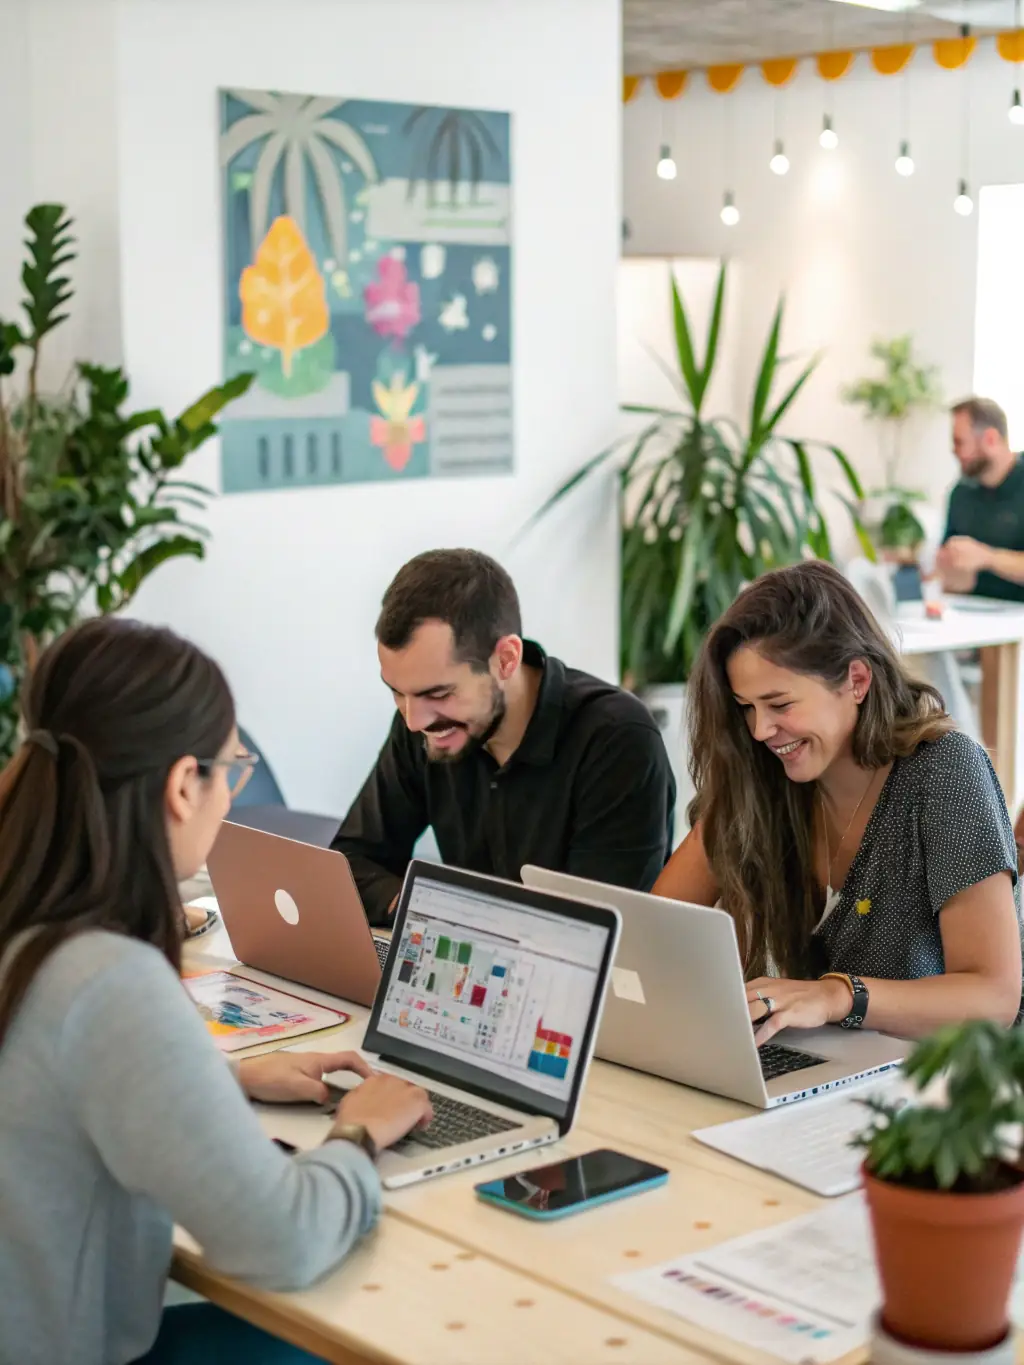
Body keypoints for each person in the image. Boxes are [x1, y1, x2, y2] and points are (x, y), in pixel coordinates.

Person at [0, 617, 432, 1365]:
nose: (231, 796)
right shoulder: (108, 978)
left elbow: (48, 1082)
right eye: (231, 770)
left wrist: (220, 1078)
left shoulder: (28, 925)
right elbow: (285, 1239)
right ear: (180, 785)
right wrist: (359, 1133)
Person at [654, 561, 1023, 1043]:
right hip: (843, 1065)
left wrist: (838, 995)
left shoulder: (945, 770)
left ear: (857, 681)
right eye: (746, 708)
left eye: (780, 704)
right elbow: (652, 934)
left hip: (951, 1074)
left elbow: (993, 999)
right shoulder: (761, 779)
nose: (761, 730)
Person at [333, 549, 676, 924]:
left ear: (507, 659)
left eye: (440, 694)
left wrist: (447, 917)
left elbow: (592, 929)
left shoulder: (616, 740)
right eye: (397, 692)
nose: (414, 721)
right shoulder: (426, 724)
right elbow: (350, 864)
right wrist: (420, 909)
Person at [936, 396, 1024, 601]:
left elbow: (981, 558)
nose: (954, 451)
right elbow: (954, 581)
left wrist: (987, 558)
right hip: (972, 611)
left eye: (959, 442)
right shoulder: (961, 493)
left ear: (990, 439)